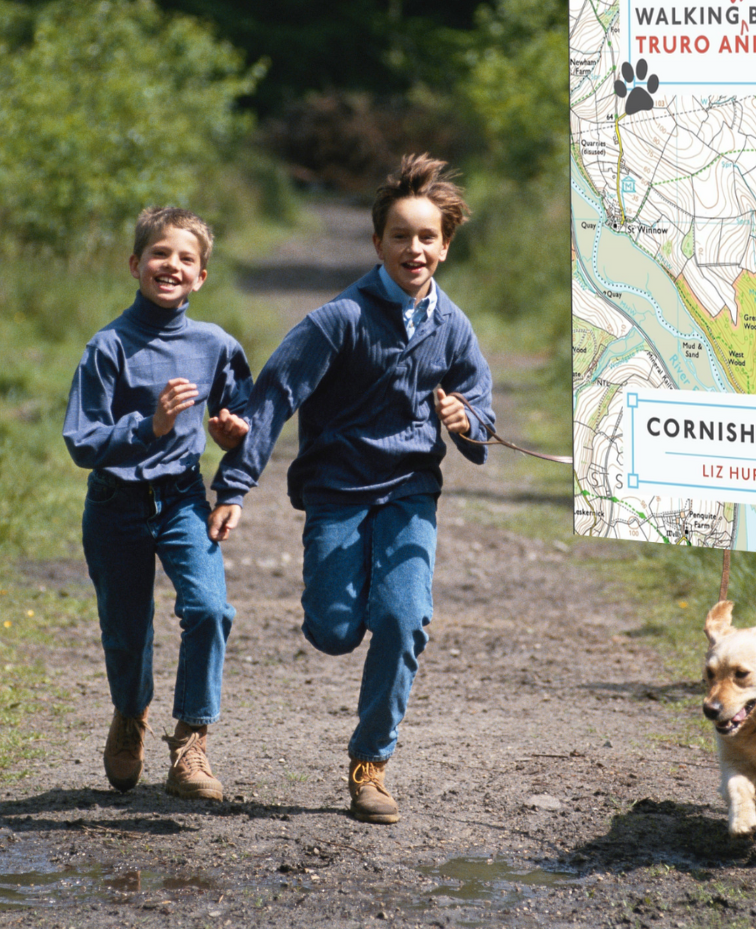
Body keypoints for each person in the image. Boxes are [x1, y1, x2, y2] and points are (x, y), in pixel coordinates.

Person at [211, 153, 494, 824]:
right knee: (334, 631)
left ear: (445, 247)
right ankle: (355, 597)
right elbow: (274, 397)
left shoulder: (452, 326)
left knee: (403, 618)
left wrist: (467, 421)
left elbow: (480, 409)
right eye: (401, 236)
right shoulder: (336, 321)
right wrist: (234, 485)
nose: (414, 248)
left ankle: (371, 764)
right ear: (377, 244)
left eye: (427, 237)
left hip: (409, 492)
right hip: (338, 490)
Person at [63, 206, 252, 801]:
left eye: (186, 258)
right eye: (160, 254)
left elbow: (247, 420)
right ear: (135, 264)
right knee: (126, 631)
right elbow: (82, 440)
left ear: (201, 276)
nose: (171, 265)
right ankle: (129, 714)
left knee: (210, 609)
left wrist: (232, 450)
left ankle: (192, 741)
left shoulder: (217, 346)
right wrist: (151, 425)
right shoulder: (108, 347)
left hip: (180, 499)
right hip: (116, 502)